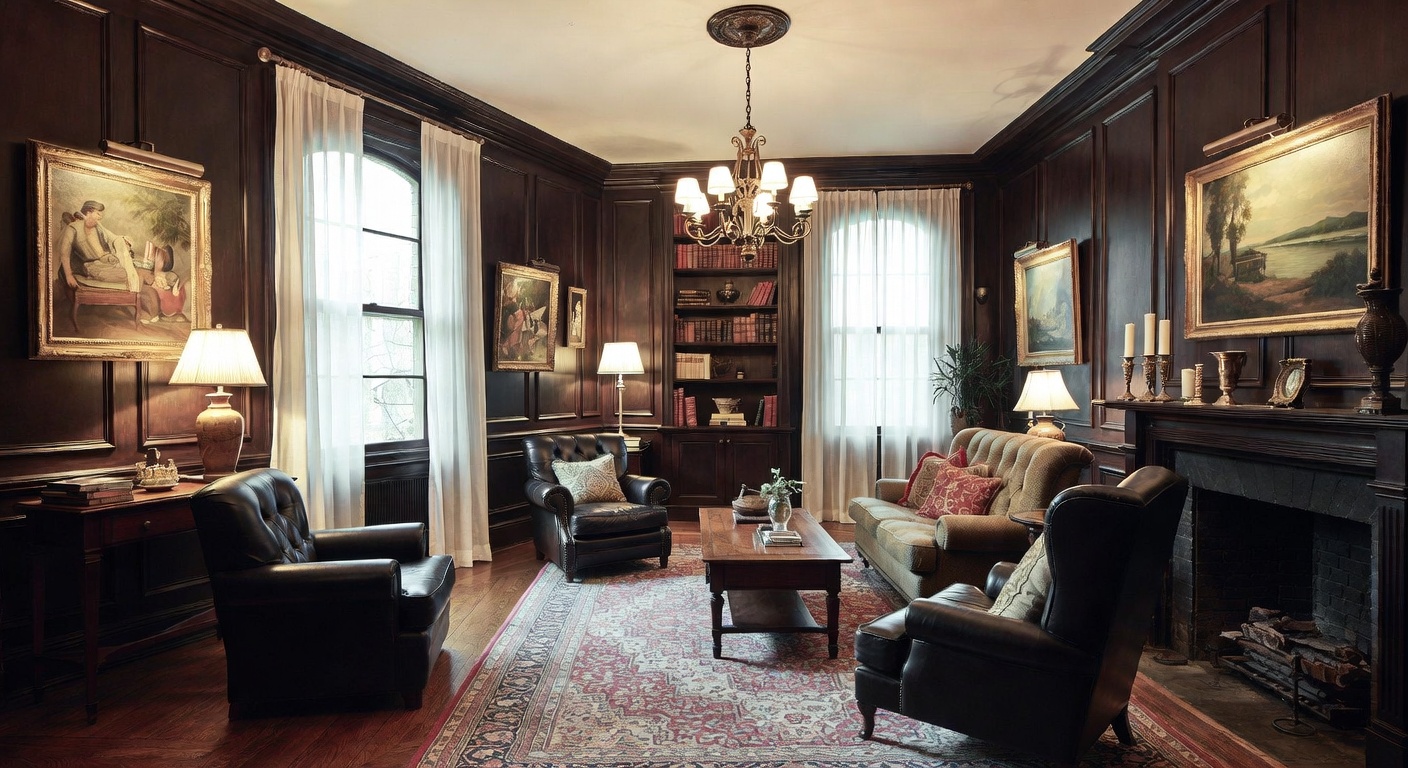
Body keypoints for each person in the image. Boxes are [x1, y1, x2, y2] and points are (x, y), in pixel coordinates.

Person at [56, 200, 138, 291]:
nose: (101, 217)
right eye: (98, 213)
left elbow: (105, 248)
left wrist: (109, 257)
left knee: (130, 272)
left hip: (99, 265)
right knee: (126, 275)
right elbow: (64, 254)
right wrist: (69, 276)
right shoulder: (73, 228)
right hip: (84, 267)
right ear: (88, 213)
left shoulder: (98, 229)